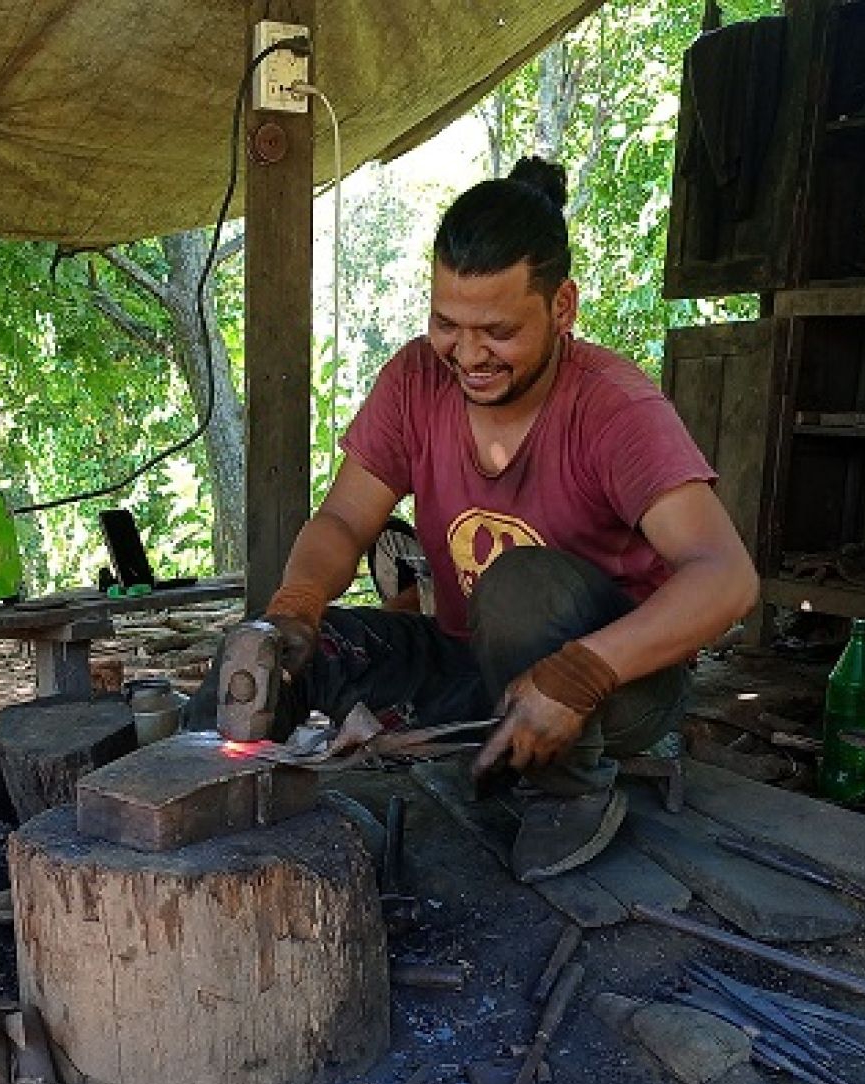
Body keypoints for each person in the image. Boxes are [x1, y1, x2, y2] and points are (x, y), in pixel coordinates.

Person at [195, 156, 758, 880]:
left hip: (617, 689)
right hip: (473, 664)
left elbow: (727, 577)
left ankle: (571, 790)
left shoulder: (615, 408)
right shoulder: (414, 381)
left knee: (518, 586)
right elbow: (342, 518)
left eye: (496, 330)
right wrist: (297, 609)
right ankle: (198, 790)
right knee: (286, 649)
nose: (467, 355)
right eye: (446, 324)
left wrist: (583, 673)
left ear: (562, 309)